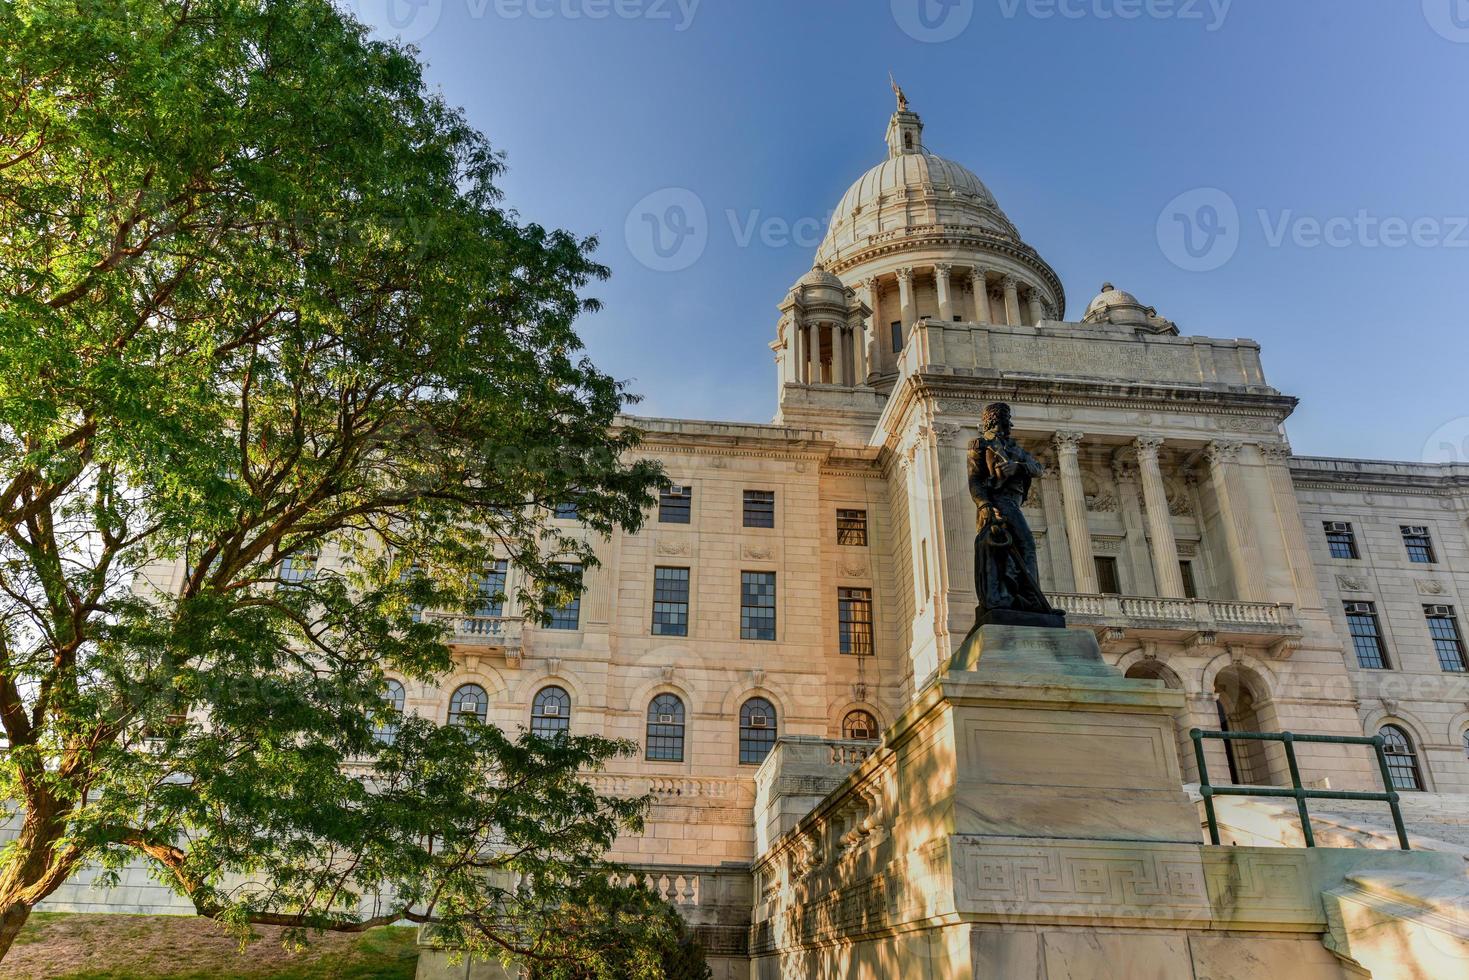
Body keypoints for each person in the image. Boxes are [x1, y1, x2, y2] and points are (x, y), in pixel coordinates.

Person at [968, 403, 1055, 619]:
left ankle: (1017, 595)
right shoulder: (981, 444)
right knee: (1027, 544)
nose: (1008, 424)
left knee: (1013, 550)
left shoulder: (1014, 448)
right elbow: (975, 479)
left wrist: (1017, 467)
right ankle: (1032, 599)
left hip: (1014, 501)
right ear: (996, 419)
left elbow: (1037, 468)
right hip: (1000, 500)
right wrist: (985, 504)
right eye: (1005, 419)